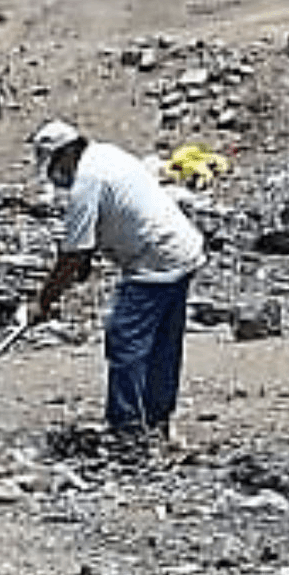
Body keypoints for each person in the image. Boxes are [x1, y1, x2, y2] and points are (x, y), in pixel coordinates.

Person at [29, 120, 206, 442]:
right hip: (182, 248)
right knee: (163, 343)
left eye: (54, 164)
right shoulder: (105, 154)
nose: (55, 174)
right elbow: (88, 244)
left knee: (126, 340)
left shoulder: (87, 182)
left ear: (66, 153)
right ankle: (157, 420)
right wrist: (79, 267)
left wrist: (42, 302)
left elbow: (71, 256)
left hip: (155, 261)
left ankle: (126, 430)